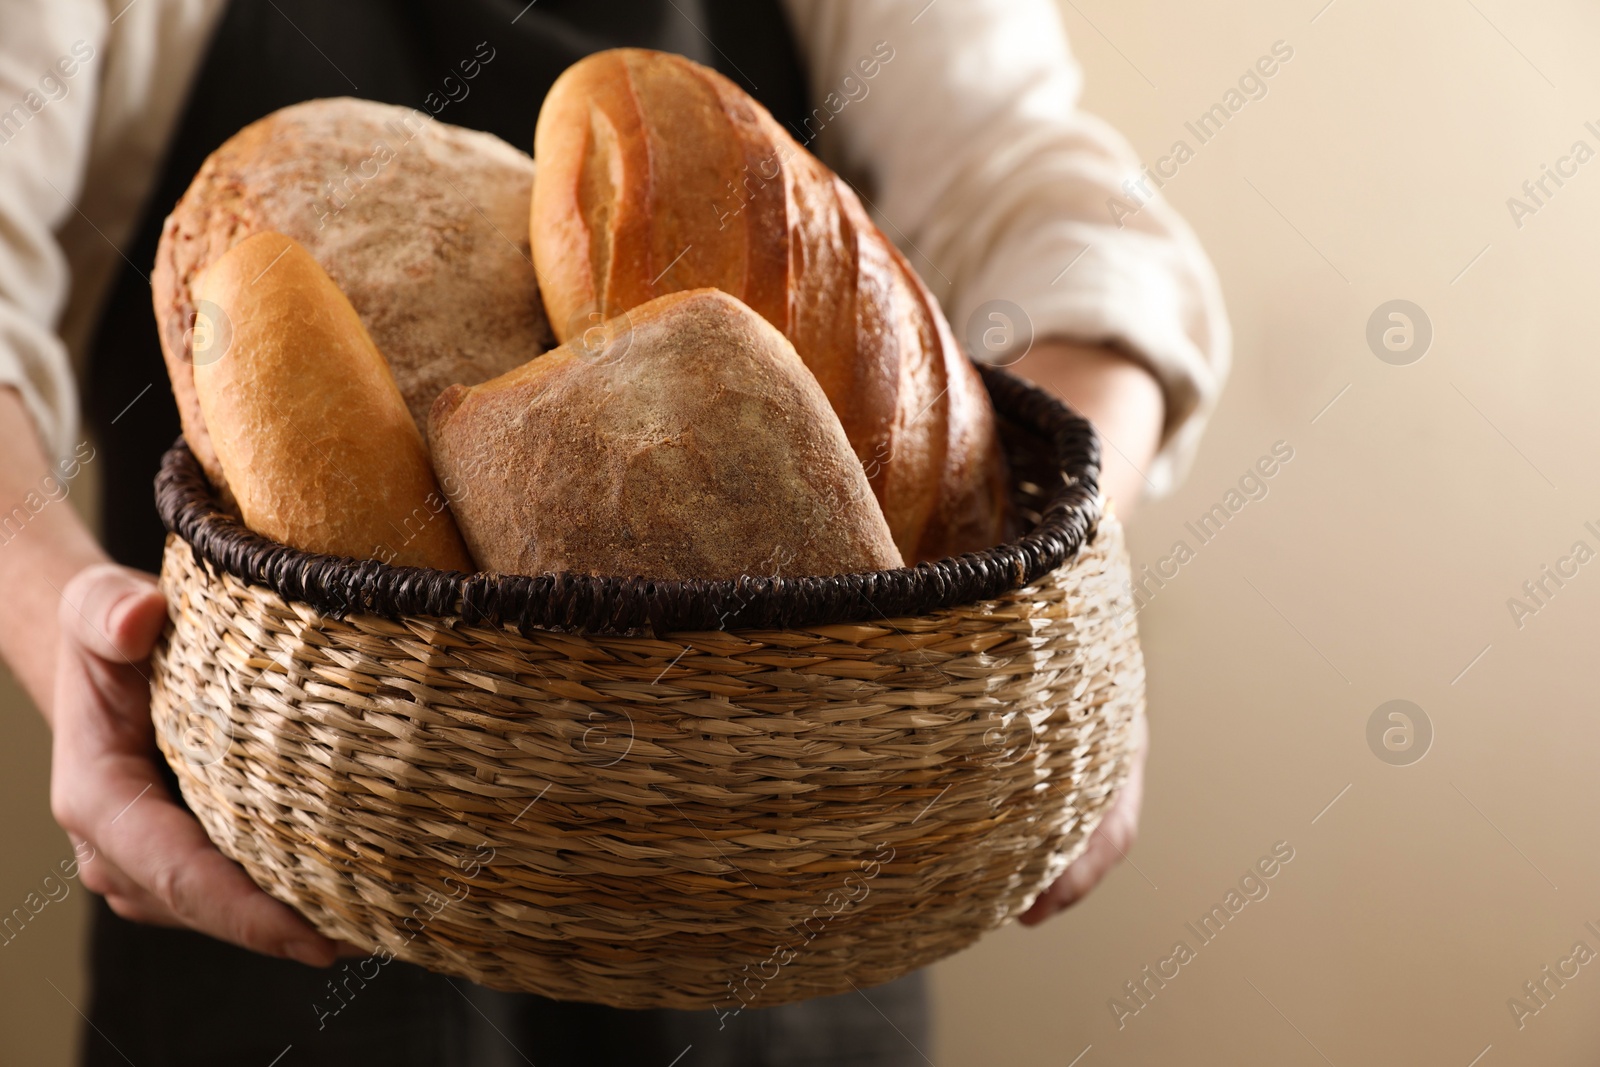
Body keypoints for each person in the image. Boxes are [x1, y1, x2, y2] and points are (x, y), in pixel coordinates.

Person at [0, 0, 1229, 1063]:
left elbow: (1052, 205)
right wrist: (67, 620)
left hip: (793, 881)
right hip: (278, 896)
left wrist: (1059, 583)